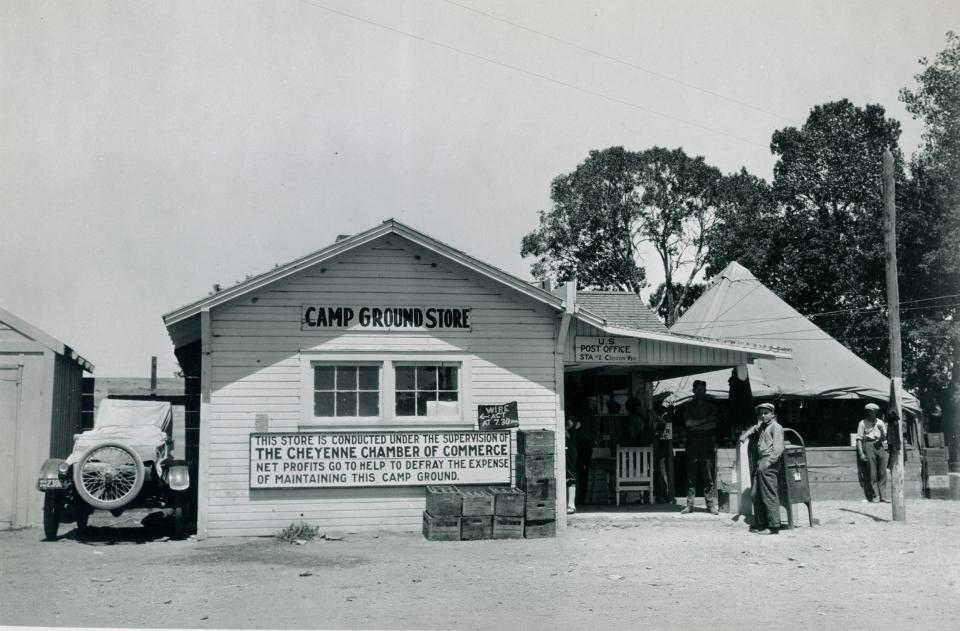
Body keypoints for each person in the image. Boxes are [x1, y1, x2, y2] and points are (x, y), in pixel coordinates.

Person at [741, 402, 784, 535]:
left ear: (772, 414)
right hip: (760, 461)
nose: (763, 415)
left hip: (768, 461)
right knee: (755, 494)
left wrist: (769, 462)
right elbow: (754, 428)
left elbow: (778, 448)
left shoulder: (776, 427)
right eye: (761, 413)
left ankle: (773, 526)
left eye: (766, 413)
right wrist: (745, 435)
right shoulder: (763, 426)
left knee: (769, 494)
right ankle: (762, 522)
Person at [681, 380, 719, 514]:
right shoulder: (687, 407)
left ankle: (710, 505)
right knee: (691, 474)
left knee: (708, 475)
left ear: (706, 390)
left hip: (707, 442)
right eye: (697, 389)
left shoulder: (712, 407)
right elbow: (688, 424)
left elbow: (713, 425)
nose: (700, 392)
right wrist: (705, 420)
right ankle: (689, 504)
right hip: (692, 442)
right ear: (693, 391)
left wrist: (696, 425)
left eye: (702, 389)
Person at [856, 402, 888, 503]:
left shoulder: (880, 422)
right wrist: (861, 453)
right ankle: (875, 496)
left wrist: (882, 430)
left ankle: (883, 496)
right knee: (872, 472)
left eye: (874, 412)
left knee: (883, 472)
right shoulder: (862, 423)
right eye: (870, 412)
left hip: (879, 445)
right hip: (869, 445)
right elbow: (859, 439)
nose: (872, 414)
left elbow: (884, 438)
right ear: (867, 412)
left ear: (876, 412)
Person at [565, 417, 579, 514]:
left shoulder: (570, 429)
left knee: (570, 476)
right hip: (570, 448)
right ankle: (570, 504)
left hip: (569, 449)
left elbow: (570, 424)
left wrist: (565, 429)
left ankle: (571, 504)